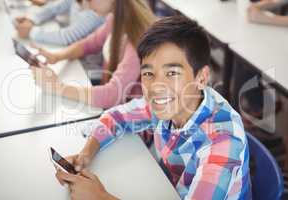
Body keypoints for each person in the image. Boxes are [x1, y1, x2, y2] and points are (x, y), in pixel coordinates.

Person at [55, 15, 252, 200]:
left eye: (172, 73)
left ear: (201, 78)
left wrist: (101, 197)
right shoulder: (168, 103)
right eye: (148, 73)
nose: (157, 87)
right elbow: (116, 117)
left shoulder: (224, 141)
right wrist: (86, 154)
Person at [30, 0, 156, 108]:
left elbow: (112, 95)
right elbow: (88, 44)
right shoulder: (115, 19)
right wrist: (57, 56)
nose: (86, 4)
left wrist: (57, 87)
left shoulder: (137, 39)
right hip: (113, 107)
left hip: (130, 120)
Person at [15, 0, 105, 46]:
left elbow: (67, 37)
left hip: (84, 66)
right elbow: (54, 8)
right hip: (70, 53)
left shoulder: (97, 9)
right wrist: (32, 18)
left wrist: (31, 31)